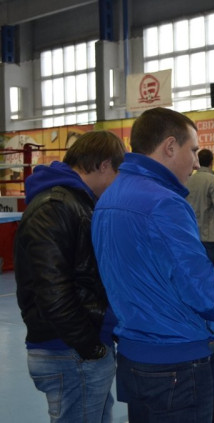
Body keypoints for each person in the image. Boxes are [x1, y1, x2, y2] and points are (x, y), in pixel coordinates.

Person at [91, 107, 214, 422]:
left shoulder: (108, 199)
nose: (196, 163)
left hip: (133, 358)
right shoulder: (164, 203)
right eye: (193, 151)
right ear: (170, 146)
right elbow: (199, 288)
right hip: (175, 365)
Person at [14, 131, 125, 422]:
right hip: (70, 351)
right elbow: (52, 291)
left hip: (78, 349)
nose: (117, 183)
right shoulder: (55, 207)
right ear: (104, 165)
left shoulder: (76, 203)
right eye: (118, 173)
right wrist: (90, 347)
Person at [186, 148, 214, 270]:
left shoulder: (188, 180)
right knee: (210, 273)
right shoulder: (213, 180)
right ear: (211, 162)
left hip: (192, 235)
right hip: (209, 237)